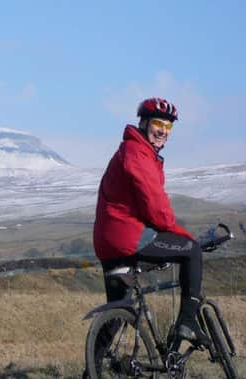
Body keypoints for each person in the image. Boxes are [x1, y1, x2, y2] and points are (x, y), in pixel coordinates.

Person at [92, 97, 209, 348]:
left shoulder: (130, 151)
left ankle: (92, 370)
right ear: (144, 123)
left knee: (117, 314)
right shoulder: (138, 153)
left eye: (168, 127)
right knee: (192, 252)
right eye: (158, 124)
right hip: (127, 238)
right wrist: (183, 235)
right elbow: (156, 209)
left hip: (108, 243)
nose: (163, 131)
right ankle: (187, 322)